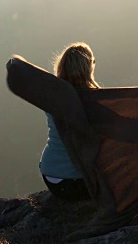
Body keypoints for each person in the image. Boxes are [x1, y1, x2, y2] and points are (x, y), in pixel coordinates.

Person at [40, 42, 99, 201]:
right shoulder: (91, 102)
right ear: (87, 68)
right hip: (71, 182)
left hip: (48, 173)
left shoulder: (52, 96)